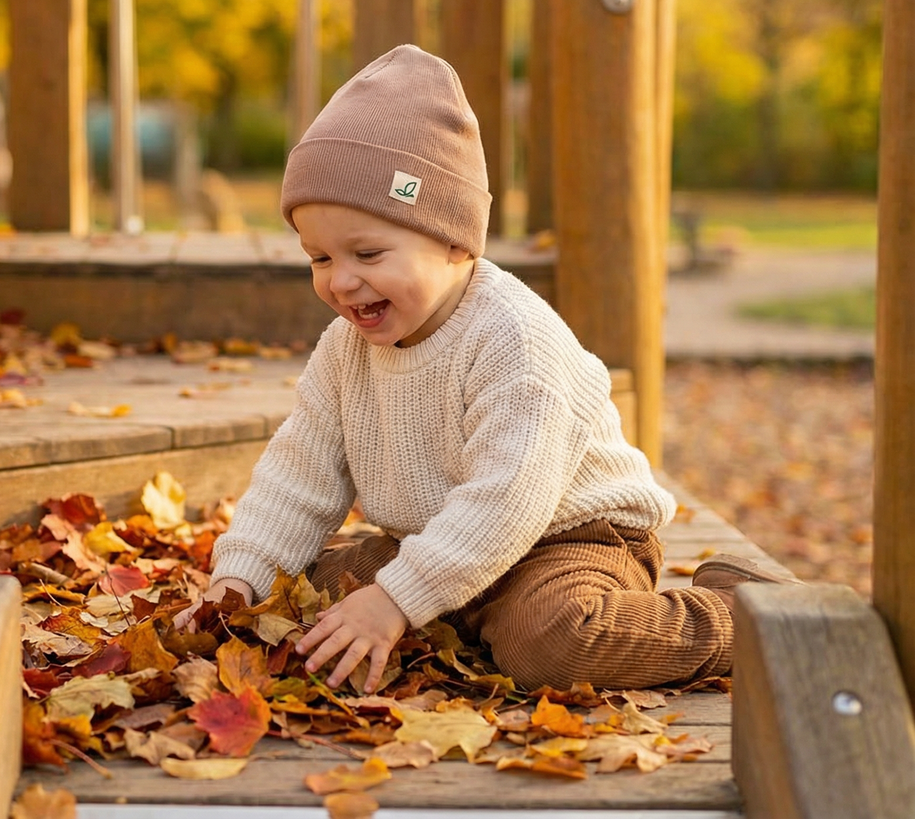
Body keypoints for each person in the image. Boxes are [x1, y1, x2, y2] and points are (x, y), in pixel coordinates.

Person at [204, 44, 794, 695]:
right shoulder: (344, 350)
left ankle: (741, 614)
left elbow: (508, 499)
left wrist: (397, 599)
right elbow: (298, 477)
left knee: (553, 645)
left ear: (456, 240)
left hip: (565, 543)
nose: (342, 282)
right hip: (434, 539)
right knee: (305, 592)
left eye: (367, 252)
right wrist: (241, 582)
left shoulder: (514, 340)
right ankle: (451, 609)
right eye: (318, 258)